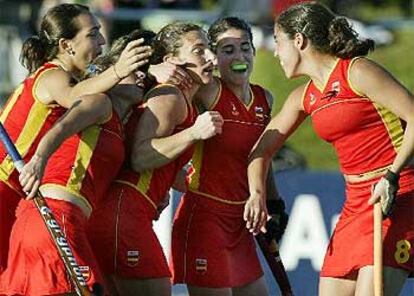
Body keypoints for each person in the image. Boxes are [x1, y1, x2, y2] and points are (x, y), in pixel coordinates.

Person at [247, 3, 414, 296]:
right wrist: (259, 196)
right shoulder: (305, 96)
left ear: (298, 41)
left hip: (398, 197)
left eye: (278, 42)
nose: (274, 53)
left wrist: (391, 175)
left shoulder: (358, 71)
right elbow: (261, 150)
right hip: (355, 205)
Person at [0, 26, 158, 295]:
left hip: (60, 219)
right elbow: (60, 127)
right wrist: (40, 158)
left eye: (147, 72)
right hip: (53, 214)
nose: (142, 76)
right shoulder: (98, 102)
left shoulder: (121, 127)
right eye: (135, 70)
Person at [87, 22, 222, 296]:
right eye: (199, 51)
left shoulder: (179, 99)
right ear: (172, 60)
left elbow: (167, 166)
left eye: (209, 49)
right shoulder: (168, 95)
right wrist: (194, 133)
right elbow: (142, 156)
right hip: (124, 214)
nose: (212, 58)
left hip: (122, 214)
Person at [170, 17, 288, 296]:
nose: (239, 56)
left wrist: (273, 202)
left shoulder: (264, 98)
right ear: (215, 56)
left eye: (245, 48)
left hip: (242, 223)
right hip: (205, 220)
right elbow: (168, 71)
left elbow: (263, 155)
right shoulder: (208, 91)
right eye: (228, 50)